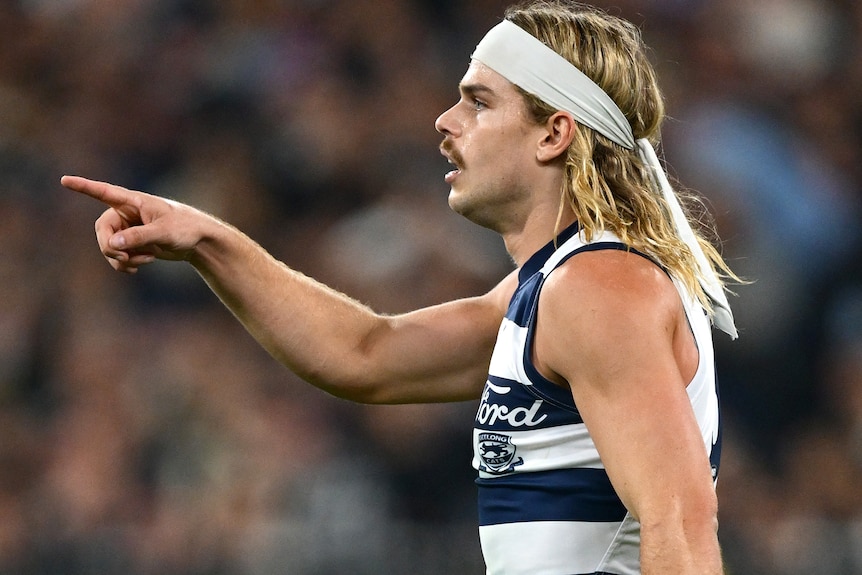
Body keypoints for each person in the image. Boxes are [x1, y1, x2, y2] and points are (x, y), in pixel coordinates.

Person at [63, 1, 740, 573]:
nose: (446, 121)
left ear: (554, 134)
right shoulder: (553, 287)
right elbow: (366, 354)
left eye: (478, 101)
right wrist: (208, 239)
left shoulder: (599, 286)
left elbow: (680, 520)